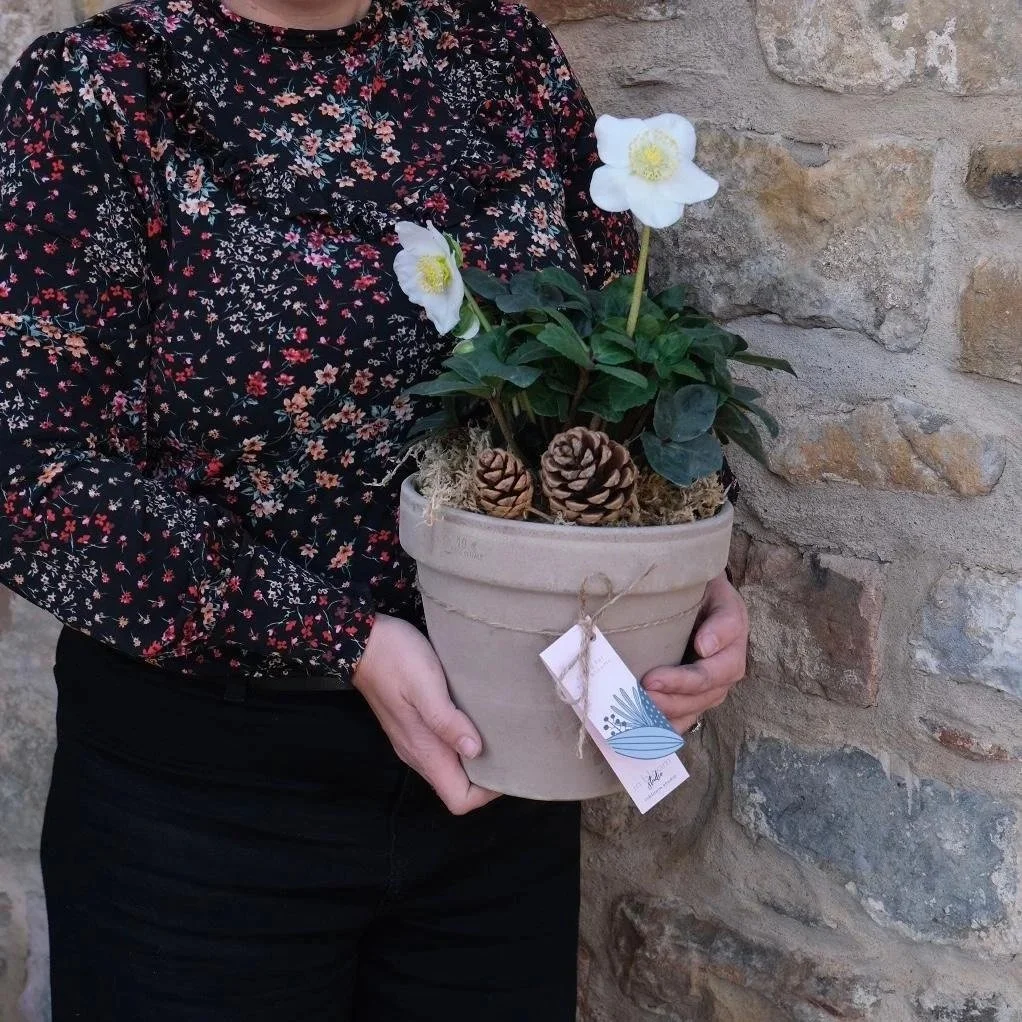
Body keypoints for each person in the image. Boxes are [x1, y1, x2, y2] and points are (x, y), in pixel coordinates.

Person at [0, 0, 750, 1017]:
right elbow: (33, 480)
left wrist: (690, 580)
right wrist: (346, 640)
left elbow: (624, 353)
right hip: (204, 812)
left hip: (505, 773)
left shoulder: (502, 59)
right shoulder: (103, 90)